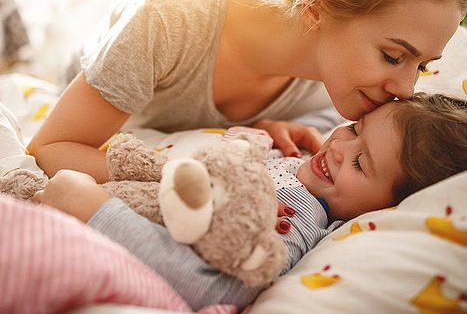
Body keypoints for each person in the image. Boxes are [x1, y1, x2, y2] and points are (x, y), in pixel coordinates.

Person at [28, 0, 466, 183]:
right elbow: (50, 147)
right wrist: (190, 181)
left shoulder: (336, 88)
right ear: (316, 9)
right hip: (92, 71)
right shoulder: (165, 24)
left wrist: (258, 122)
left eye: (422, 66)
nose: (406, 90)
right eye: (394, 56)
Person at [31, 92, 467, 311]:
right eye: (354, 129)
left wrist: (93, 208)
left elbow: (209, 286)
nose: (338, 147)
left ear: (385, 208)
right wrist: (264, 125)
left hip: (92, 229)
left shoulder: (296, 219)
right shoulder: (304, 163)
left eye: (361, 163)